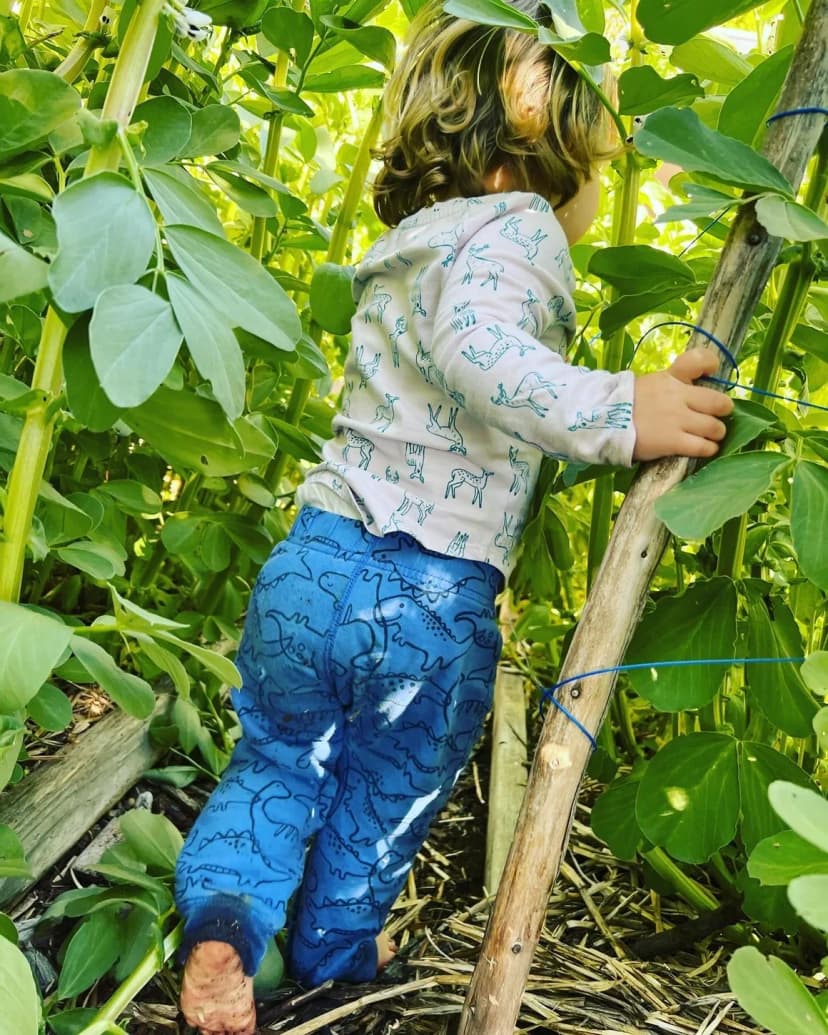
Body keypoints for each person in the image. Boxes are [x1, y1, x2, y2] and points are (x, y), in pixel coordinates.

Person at [174, 1, 734, 1031]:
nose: (593, 192)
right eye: (593, 168)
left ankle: (225, 927)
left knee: (276, 762)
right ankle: (334, 953)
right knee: (385, 794)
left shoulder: (411, 239)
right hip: (427, 594)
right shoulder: (518, 226)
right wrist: (622, 410)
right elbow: (484, 354)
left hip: (314, 563)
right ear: (532, 145)